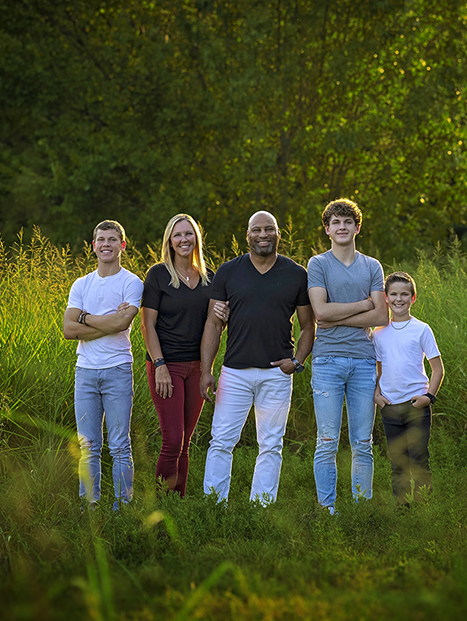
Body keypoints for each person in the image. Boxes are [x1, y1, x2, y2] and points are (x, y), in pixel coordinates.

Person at [200, 210, 315, 504]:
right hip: (234, 372)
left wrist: (298, 360)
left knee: (271, 444)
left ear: (278, 234)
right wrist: (206, 370)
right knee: (222, 441)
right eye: (256, 230)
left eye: (269, 229)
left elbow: (307, 326)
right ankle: (214, 506)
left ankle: (261, 509)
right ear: (247, 235)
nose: (263, 235)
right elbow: (214, 323)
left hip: (277, 373)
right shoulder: (228, 271)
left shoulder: (296, 273)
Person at [306, 198, 388, 514]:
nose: (342, 227)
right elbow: (320, 312)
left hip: (364, 361)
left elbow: (382, 317)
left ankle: (360, 509)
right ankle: (328, 510)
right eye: (335, 223)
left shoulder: (372, 266)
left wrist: (336, 316)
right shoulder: (318, 264)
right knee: (326, 440)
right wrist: (364, 304)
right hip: (327, 361)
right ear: (327, 229)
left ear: (357, 227)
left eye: (347, 222)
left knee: (362, 443)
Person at [140, 214, 227, 496]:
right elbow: (147, 324)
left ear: (196, 239)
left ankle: (178, 501)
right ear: (169, 241)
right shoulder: (158, 275)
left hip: (197, 367)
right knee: (172, 440)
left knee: (186, 441)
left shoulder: (210, 279)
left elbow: (213, 327)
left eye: (188, 234)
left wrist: (206, 370)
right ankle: (161, 504)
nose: (183, 240)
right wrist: (160, 365)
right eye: (177, 235)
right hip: (167, 366)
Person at [63, 220, 143, 509]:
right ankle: (89, 506)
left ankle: (122, 507)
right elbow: (68, 330)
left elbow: (123, 322)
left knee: (120, 444)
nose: (106, 244)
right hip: (85, 372)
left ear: (122, 245)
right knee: (88, 446)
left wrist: (85, 318)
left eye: (112, 239)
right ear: (93, 245)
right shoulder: (81, 284)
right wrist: (107, 322)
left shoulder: (132, 282)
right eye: (101, 240)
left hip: (118, 370)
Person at [372, 271, 445, 502]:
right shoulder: (379, 333)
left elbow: (438, 369)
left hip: (416, 407)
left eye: (404, 294)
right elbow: (378, 370)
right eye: (393, 294)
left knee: (419, 459)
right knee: (398, 463)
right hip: (390, 407)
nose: (399, 299)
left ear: (413, 298)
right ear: (386, 298)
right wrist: (377, 395)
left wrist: (429, 397)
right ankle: (402, 510)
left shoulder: (421, 329)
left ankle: (424, 509)